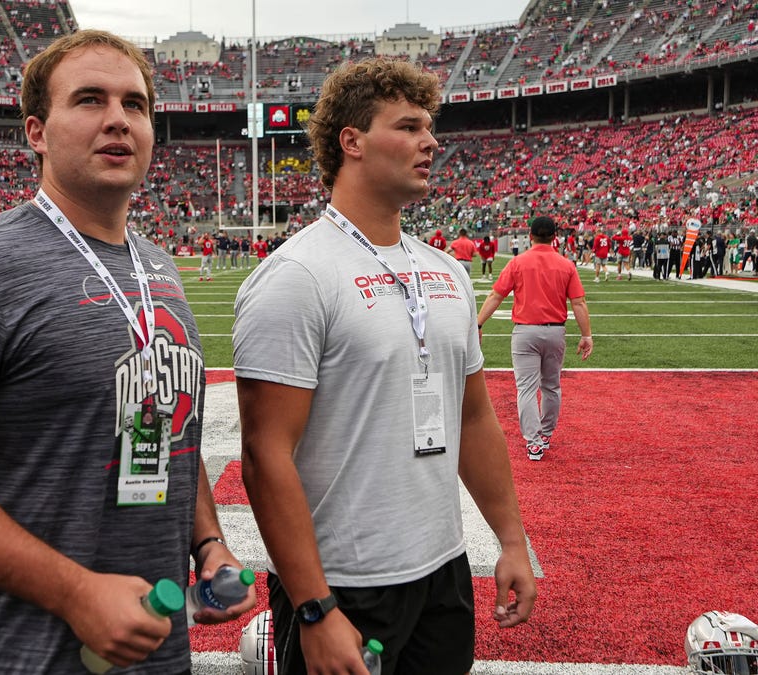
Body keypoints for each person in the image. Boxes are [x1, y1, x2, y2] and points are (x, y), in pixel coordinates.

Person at [0, 29, 253, 674]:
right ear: (36, 131)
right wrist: (76, 592)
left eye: (135, 105)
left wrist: (207, 542)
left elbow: (165, 424)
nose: (117, 121)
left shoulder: (155, 266)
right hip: (20, 654)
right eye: (89, 100)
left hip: (151, 646)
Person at [233, 57, 535, 675]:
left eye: (429, 126)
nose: (430, 141)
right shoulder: (297, 275)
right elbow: (266, 456)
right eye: (408, 126)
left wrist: (510, 539)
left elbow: (473, 419)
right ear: (352, 142)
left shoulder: (448, 272)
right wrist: (314, 608)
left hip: (443, 569)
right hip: (344, 580)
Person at [476, 215, 593, 461]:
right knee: (551, 386)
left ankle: (534, 442)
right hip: (555, 330)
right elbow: (579, 302)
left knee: (526, 389)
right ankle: (546, 433)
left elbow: (496, 296)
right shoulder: (566, 265)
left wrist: (478, 323)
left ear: (530, 236)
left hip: (525, 331)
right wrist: (586, 335)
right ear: (554, 237)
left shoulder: (518, 263)